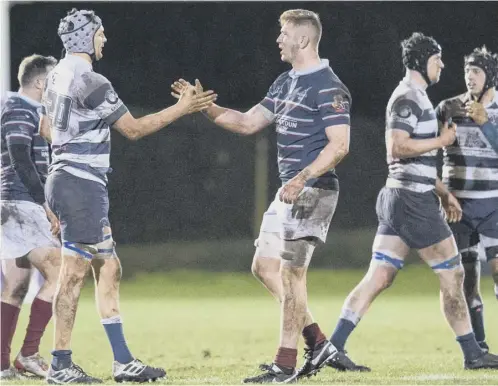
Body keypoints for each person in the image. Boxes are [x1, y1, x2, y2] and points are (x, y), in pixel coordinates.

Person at [172, 8, 366, 384]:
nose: (278, 39)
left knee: (293, 276)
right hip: (289, 192)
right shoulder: (285, 82)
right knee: (264, 267)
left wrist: (303, 177)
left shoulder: (329, 86)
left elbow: (340, 146)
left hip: (312, 191)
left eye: (284, 33)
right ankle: (319, 343)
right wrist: (203, 106)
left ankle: (284, 365)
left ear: (304, 39)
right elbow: (246, 122)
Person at [41, 8, 217, 384]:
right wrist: (182, 108)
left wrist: (54, 189)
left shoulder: (55, 75)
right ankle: (60, 365)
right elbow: (134, 130)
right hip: (80, 184)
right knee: (73, 275)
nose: (104, 39)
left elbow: (47, 129)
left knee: (109, 266)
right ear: (87, 36)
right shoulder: (91, 80)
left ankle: (122, 362)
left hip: (69, 181)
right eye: (100, 33)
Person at [325, 32, 498, 371]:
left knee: (379, 277)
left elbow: (416, 162)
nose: (443, 66)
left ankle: (333, 346)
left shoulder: (418, 97)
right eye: (438, 59)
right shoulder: (409, 98)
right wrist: (443, 140)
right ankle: (473, 353)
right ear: (422, 61)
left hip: (401, 198)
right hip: (412, 202)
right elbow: (397, 148)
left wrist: (444, 192)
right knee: (453, 274)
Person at [1, 54, 61, 380]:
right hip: (21, 204)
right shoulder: (17, 107)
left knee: (16, 285)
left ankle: (1, 365)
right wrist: (44, 204)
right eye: (53, 79)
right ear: (40, 83)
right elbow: (19, 156)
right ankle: (29, 353)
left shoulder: (36, 112)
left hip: (13, 204)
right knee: (60, 272)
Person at [436, 46, 498, 353]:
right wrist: (443, 195)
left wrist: (486, 122)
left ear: (490, 76)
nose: (469, 77)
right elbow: (429, 151)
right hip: (458, 208)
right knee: (467, 283)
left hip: (493, 206)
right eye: (467, 71)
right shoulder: (449, 108)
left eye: (476, 71)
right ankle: (480, 348)